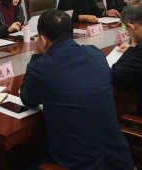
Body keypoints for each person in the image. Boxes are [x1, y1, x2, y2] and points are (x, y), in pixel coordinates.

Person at [20, 9, 133, 170]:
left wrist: (37, 54)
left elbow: (28, 99)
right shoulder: (95, 53)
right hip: (120, 162)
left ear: (43, 40)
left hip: (80, 165)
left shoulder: (41, 67)